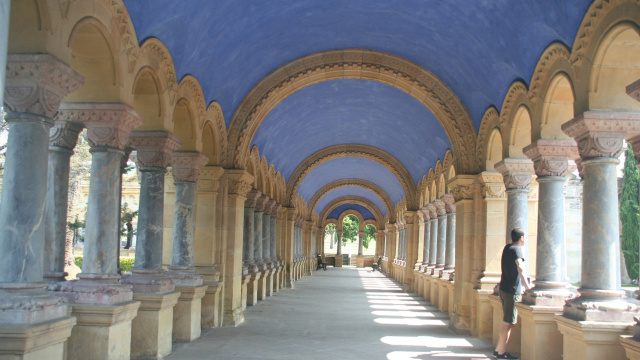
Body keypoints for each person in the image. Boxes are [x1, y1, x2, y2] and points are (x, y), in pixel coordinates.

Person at [494, 227, 531, 360]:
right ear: (521, 238)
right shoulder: (516, 250)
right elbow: (520, 267)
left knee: (507, 321)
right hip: (511, 290)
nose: (525, 239)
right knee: (508, 322)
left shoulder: (507, 248)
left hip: (504, 288)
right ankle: (501, 353)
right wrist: (527, 286)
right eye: (525, 237)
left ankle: (499, 349)